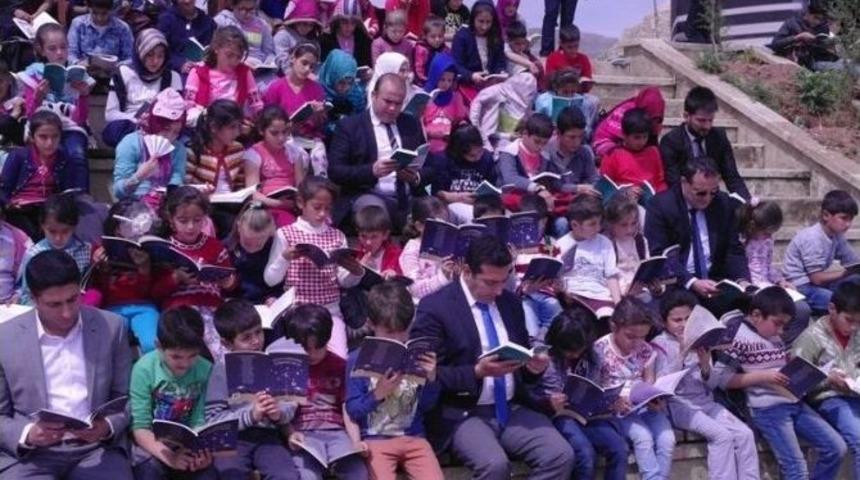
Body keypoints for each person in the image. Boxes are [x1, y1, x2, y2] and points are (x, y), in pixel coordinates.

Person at [410, 235, 575, 478]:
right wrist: (477, 372)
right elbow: (426, 374)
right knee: (494, 465)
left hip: (511, 406)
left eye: (503, 280)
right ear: (467, 271)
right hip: (462, 410)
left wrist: (533, 369)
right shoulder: (435, 308)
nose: (498, 290)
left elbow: (519, 367)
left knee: (560, 455)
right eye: (489, 282)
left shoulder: (510, 304)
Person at [0, 250, 133, 479]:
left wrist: (106, 426)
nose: (66, 313)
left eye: (73, 299)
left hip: (96, 450)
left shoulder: (112, 328)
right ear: (33, 298)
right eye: (54, 304)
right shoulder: (5, 340)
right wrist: (27, 433)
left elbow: (129, 397)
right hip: (31, 456)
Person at [712, 286, 847, 480]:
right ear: (756, 314)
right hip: (768, 409)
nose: (781, 331)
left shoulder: (772, 335)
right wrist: (764, 376)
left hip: (792, 401)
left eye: (785, 326)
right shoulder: (738, 337)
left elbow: (778, 363)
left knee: (836, 448)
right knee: (796, 468)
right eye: (777, 324)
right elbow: (721, 379)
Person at [651, 290, 760, 480]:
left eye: (687, 318)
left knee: (745, 434)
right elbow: (662, 385)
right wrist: (682, 353)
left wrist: (705, 364)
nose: (684, 324)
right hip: (679, 405)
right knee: (721, 436)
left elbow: (711, 385)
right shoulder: (659, 344)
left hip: (706, 402)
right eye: (677, 320)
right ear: (664, 321)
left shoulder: (701, 339)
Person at [346, 281, 443, 480]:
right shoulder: (357, 359)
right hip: (375, 439)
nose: (398, 339)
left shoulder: (416, 354)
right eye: (390, 332)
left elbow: (426, 406)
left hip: (414, 437)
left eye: (404, 331)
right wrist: (377, 394)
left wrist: (432, 379)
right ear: (372, 324)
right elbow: (353, 409)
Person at [264, 176, 365, 359]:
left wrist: (355, 271)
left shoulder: (337, 236)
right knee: (298, 360)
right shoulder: (285, 233)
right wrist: (284, 258)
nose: (322, 214)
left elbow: (343, 280)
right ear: (301, 203)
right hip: (297, 313)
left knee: (338, 358)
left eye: (327, 209)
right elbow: (270, 279)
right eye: (317, 207)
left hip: (330, 311)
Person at [643, 156, 751, 316]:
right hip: (678, 281)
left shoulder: (723, 203)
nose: (707, 198)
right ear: (684, 182)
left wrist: (742, 280)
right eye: (700, 193)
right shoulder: (661, 205)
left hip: (715, 279)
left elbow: (733, 249)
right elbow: (661, 254)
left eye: (713, 192)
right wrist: (692, 282)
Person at [205, 299, 300, 480]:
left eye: (258, 332)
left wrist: (277, 412)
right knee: (230, 474)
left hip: (268, 436)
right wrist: (251, 414)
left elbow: (291, 404)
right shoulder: (221, 370)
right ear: (226, 343)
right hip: (234, 439)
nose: (256, 341)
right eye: (246, 337)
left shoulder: (274, 361)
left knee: (286, 475)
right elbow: (213, 420)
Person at [532, 307, 630, 480]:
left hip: (589, 415)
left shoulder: (593, 354)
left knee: (619, 448)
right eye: (570, 351)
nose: (576, 354)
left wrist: (611, 401)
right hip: (556, 416)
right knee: (584, 454)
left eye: (580, 349)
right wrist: (548, 402)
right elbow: (526, 392)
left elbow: (597, 386)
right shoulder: (540, 353)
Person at [327, 73, 428, 231]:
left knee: (435, 212)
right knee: (374, 213)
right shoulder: (350, 127)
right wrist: (371, 171)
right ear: (374, 95)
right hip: (368, 194)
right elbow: (335, 171)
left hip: (407, 196)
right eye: (387, 101)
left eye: (398, 103)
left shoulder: (410, 124)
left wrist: (415, 177)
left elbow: (431, 165)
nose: (392, 108)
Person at [151, 186, 238, 362]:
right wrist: (175, 278)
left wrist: (227, 282)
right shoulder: (163, 247)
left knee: (225, 341)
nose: (191, 227)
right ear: (171, 219)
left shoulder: (215, 246)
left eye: (197, 220)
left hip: (212, 306)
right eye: (183, 221)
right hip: (179, 309)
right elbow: (154, 291)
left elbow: (231, 280)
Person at [283, 304, 370, 480]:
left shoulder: (339, 365)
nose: (313, 354)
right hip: (304, 434)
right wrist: (290, 434)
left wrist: (356, 442)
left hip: (337, 432)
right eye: (307, 348)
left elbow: (347, 407)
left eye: (319, 347)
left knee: (358, 473)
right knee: (306, 476)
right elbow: (282, 411)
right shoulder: (288, 367)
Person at [130, 307, 217, 479]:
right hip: (152, 446)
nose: (185, 364)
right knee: (149, 471)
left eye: (192, 356)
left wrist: (200, 454)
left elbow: (200, 420)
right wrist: (170, 458)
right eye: (176, 357)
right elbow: (140, 427)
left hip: (187, 445)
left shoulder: (205, 369)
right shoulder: (144, 369)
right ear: (159, 346)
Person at [793, 280, 860, 479]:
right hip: (828, 399)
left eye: (859, 321)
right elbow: (794, 382)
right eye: (849, 320)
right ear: (832, 309)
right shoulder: (811, 337)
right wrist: (826, 379)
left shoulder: (857, 333)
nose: (854, 327)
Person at [21, 23, 94, 184]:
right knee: (53, 155)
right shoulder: (32, 74)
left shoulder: (77, 74)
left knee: (77, 155)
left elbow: (80, 119)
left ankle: (81, 200)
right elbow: (30, 115)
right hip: (43, 127)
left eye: (63, 47)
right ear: (41, 50)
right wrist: (38, 96)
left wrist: (83, 96)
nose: (60, 53)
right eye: (52, 49)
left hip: (70, 126)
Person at [0, 110, 88, 240]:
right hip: (19, 210)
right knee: (27, 231)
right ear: (32, 137)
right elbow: (4, 189)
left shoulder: (65, 158)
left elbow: (69, 191)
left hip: (51, 209)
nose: (49, 143)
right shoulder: (18, 156)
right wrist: (8, 204)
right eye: (43, 137)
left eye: (55, 137)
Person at [91, 200, 160, 353]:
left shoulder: (149, 249)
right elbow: (95, 288)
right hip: (111, 308)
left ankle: (147, 375)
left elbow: (152, 292)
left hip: (144, 307)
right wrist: (98, 266)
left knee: (151, 344)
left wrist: (144, 269)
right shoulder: (100, 249)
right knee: (109, 347)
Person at [739, 200, 811, 344]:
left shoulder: (767, 242)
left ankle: (782, 344)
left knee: (803, 309)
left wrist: (780, 281)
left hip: (767, 284)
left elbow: (767, 266)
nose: (768, 236)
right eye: (766, 232)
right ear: (753, 227)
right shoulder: (740, 242)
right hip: (750, 286)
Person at [660, 86, 750, 200]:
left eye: (710, 120)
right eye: (701, 120)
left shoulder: (719, 137)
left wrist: (747, 203)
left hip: (713, 198)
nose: (707, 126)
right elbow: (674, 183)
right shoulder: (671, 141)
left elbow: (732, 176)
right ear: (686, 116)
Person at [782, 189, 860, 316]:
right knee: (838, 300)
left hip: (820, 285)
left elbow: (853, 261)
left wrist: (855, 269)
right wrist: (845, 273)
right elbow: (816, 278)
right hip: (800, 287)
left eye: (851, 219)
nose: (848, 224)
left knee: (856, 281)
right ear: (826, 215)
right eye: (844, 218)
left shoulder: (837, 235)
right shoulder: (812, 237)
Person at [102, 28, 184, 148]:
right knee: (113, 131)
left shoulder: (172, 77)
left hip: (161, 127)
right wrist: (136, 118)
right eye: (149, 55)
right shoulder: (123, 72)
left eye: (160, 56)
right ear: (140, 52)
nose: (155, 61)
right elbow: (110, 114)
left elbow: (178, 114)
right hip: (130, 123)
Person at [112, 87, 187, 211]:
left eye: (176, 132)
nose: (169, 137)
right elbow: (118, 192)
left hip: (166, 207)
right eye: (166, 129)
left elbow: (177, 178)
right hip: (133, 207)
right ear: (154, 124)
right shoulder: (130, 143)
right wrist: (139, 175)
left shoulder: (178, 149)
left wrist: (170, 193)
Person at [18, 193, 94, 306]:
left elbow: (89, 286)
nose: (58, 238)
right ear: (42, 226)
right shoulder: (34, 255)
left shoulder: (85, 250)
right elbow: (26, 295)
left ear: (74, 227)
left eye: (65, 231)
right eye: (52, 232)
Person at [185, 99, 247, 237]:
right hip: (205, 204)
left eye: (239, 127)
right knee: (227, 223)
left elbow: (239, 183)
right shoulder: (195, 150)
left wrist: (242, 195)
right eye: (232, 127)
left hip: (231, 203)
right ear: (214, 127)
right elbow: (185, 186)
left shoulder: (238, 149)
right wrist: (202, 190)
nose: (237, 133)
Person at [185, 25, 264, 127]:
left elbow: (256, 105)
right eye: (229, 55)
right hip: (205, 128)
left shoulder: (244, 72)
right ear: (216, 48)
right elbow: (188, 108)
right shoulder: (198, 72)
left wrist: (258, 122)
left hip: (235, 129)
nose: (234, 61)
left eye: (239, 57)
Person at [558, 194, 622, 319]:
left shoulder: (604, 243)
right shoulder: (561, 245)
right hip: (576, 296)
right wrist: (563, 293)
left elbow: (611, 276)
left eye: (599, 223)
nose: (598, 228)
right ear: (575, 225)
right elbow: (559, 279)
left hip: (601, 296)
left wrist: (618, 304)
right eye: (592, 224)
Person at [245, 105, 308, 226]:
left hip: (292, 204)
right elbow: (252, 194)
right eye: (274, 133)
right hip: (266, 206)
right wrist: (279, 204)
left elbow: (301, 186)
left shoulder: (294, 152)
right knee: (284, 222)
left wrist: (298, 201)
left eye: (284, 132)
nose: (281, 138)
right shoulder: (254, 155)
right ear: (261, 131)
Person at [263, 44, 327, 156]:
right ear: (293, 59)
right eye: (304, 63)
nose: (307, 69)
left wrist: (319, 114)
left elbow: (319, 125)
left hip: (309, 137)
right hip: (283, 137)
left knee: (319, 154)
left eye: (312, 66)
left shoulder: (316, 89)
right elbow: (267, 120)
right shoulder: (276, 87)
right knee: (299, 154)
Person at [427, 124, 496, 224]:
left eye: (480, 152)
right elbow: (435, 191)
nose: (477, 157)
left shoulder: (486, 158)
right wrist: (457, 197)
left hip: (480, 205)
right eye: (472, 155)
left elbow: (492, 185)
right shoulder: (442, 160)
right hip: (451, 205)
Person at [770, 0, 856, 74]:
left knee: (853, 65)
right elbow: (775, 45)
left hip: (826, 59)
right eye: (816, 18)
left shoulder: (822, 26)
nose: (817, 22)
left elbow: (829, 45)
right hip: (812, 63)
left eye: (821, 19)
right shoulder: (792, 23)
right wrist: (797, 37)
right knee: (850, 68)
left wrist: (831, 42)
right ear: (808, 13)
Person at [398, 196, 458, 300]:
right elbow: (415, 289)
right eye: (437, 225)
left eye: (445, 224)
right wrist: (442, 277)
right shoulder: (412, 249)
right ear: (419, 226)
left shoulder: (449, 245)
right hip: (423, 305)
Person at [599, 107, 668, 196]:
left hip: (652, 201)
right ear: (624, 135)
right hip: (623, 202)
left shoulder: (653, 152)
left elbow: (660, 181)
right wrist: (624, 191)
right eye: (637, 137)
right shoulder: (613, 155)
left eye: (645, 137)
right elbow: (606, 186)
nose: (642, 142)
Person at [225, 202, 283, 304]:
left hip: (265, 303)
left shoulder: (274, 247)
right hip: (236, 302)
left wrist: (274, 297)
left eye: (259, 243)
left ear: (270, 233)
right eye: (247, 242)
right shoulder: (227, 248)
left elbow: (278, 281)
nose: (252, 248)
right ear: (239, 227)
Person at [496, 113, 556, 212]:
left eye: (544, 143)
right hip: (510, 204)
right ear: (525, 134)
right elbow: (510, 178)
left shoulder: (545, 156)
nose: (540, 147)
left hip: (536, 202)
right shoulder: (509, 152)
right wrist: (537, 188)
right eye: (537, 141)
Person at [468, 71, 537, 152]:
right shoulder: (498, 91)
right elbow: (478, 102)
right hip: (489, 142)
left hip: (510, 142)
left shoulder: (526, 103)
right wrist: (476, 127)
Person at [67, 0, 134, 81]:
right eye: (94, 13)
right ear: (89, 8)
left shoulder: (122, 28)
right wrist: (78, 64)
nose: (99, 18)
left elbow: (131, 57)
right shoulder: (78, 24)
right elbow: (70, 53)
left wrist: (118, 66)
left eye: (104, 13)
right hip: (84, 78)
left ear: (111, 10)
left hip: (113, 79)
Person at [451, 0, 507, 97]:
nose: (484, 27)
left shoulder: (495, 36)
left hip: (491, 84)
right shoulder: (462, 36)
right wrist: (471, 75)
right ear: (473, 19)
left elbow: (500, 60)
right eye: (481, 21)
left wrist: (500, 73)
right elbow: (456, 64)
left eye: (488, 22)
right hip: (468, 84)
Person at [592, 86, 665, 160]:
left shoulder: (656, 116)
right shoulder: (627, 112)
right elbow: (627, 139)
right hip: (608, 141)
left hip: (633, 143)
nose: (654, 121)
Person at [421, 52, 468, 154]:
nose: (446, 84)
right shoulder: (424, 97)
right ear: (434, 77)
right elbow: (418, 125)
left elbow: (458, 120)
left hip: (449, 144)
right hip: (427, 144)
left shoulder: (456, 97)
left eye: (449, 80)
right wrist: (434, 133)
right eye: (442, 79)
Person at [157, 0, 216, 75]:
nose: (187, 1)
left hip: (204, 71)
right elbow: (160, 50)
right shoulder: (166, 20)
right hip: (175, 73)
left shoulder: (207, 21)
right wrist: (179, 64)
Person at [319, 49, 368, 135]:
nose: (346, 88)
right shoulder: (317, 92)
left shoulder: (356, 93)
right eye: (341, 82)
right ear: (332, 77)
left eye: (350, 83)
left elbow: (362, 121)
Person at [534, 68, 597, 133]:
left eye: (573, 92)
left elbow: (586, 125)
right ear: (556, 87)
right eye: (565, 92)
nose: (569, 96)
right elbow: (538, 122)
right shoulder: (544, 100)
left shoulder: (582, 101)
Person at [320, 6, 373, 72]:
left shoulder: (363, 39)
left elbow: (368, 64)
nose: (349, 26)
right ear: (337, 21)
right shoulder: (326, 39)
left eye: (353, 22)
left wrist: (368, 72)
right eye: (345, 22)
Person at [355, 205, 402, 277]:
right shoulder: (354, 255)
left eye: (374, 237)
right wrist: (357, 270)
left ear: (385, 235)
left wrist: (395, 275)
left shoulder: (397, 256)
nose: (368, 242)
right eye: (363, 236)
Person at [544, 25, 592, 93]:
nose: (573, 50)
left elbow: (587, 82)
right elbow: (549, 83)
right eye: (569, 47)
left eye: (576, 46)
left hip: (577, 94)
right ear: (561, 43)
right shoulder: (553, 58)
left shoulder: (583, 59)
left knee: (594, 101)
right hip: (557, 94)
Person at [413, 16, 449, 87]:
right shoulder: (421, 49)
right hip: (423, 83)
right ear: (425, 36)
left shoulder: (445, 49)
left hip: (441, 83)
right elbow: (418, 70)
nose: (437, 39)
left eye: (440, 36)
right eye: (433, 36)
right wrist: (427, 81)